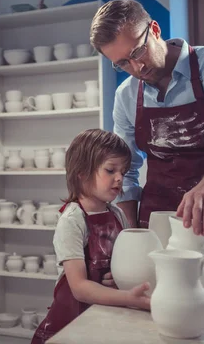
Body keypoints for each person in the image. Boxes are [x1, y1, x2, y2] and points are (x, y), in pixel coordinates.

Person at [89, 0, 204, 258]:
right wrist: (131, 236)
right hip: (155, 230)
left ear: (154, 30)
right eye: (122, 64)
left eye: (136, 52)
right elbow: (126, 172)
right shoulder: (127, 96)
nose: (136, 68)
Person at [31, 129, 152, 344]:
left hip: (104, 315)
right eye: (110, 170)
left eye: (122, 172)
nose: (119, 178)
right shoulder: (72, 220)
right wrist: (129, 298)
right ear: (82, 173)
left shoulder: (117, 215)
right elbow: (79, 287)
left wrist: (118, 278)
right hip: (70, 323)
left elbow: (125, 263)